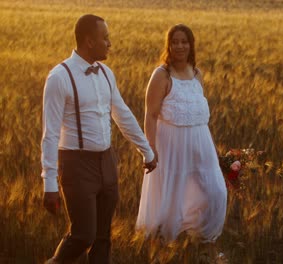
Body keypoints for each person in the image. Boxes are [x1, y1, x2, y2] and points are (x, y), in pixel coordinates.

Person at [41, 14, 156, 263]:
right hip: (76, 163)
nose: (110, 43)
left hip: (107, 161)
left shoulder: (106, 73)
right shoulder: (59, 77)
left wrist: (146, 150)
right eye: (105, 38)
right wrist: (49, 183)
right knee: (84, 235)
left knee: (103, 238)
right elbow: (49, 134)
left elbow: (122, 114)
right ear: (89, 41)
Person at [136, 24, 227, 261]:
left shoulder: (197, 73)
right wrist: (150, 148)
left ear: (191, 45)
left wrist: (211, 147)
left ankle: (203, 237)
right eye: (175, 41)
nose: (179, 46)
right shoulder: (162, 75)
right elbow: (151, 114)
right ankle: (163, 247)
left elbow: (197, 113)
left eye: (184, 41)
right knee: (171, 195)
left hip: (200, 141)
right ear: (168, 45)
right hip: (171, 145)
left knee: (216, 191)